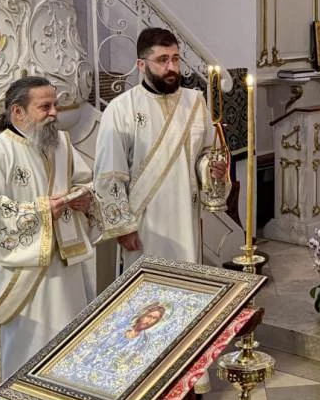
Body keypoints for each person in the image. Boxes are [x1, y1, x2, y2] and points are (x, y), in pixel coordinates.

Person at [0, 76, 100, 388]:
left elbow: (86, 183)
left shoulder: (61, 144)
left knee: (69, 346)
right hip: (21, 276)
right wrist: (39, 211)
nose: (54, 113)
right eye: (45, 107)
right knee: (25, 350)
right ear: (18, 112)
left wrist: (86, 199)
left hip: (66, 271)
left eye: (55, 105)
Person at [93, 27, 225, 267]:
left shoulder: (195, 102)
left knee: (187, 279)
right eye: (162, 60)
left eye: (175, 58)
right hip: (145, 224)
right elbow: (109, 173)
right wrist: (122, 227)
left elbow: (206, 152)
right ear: (141, 64)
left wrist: (211, 169)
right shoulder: (121, 109)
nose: (171, 67)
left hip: (186, 217)